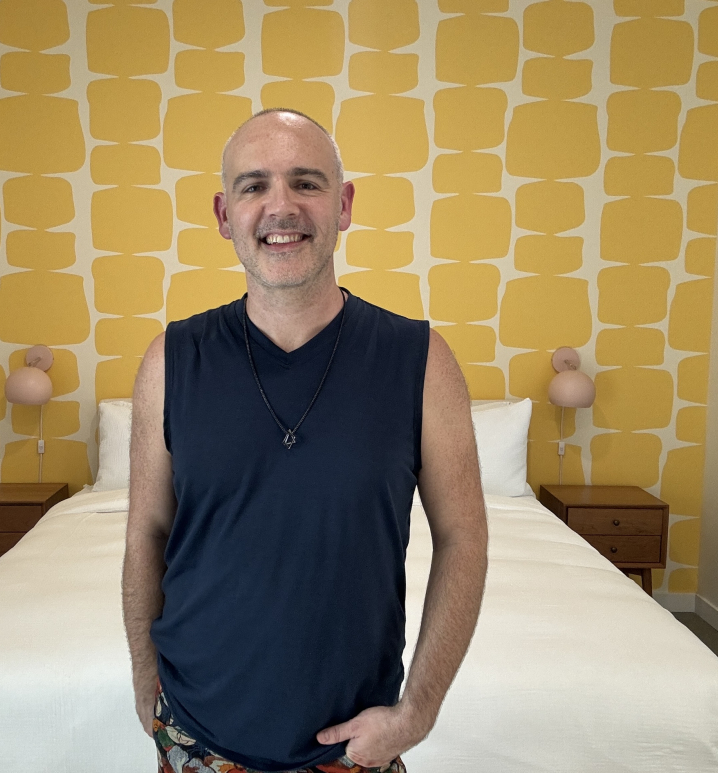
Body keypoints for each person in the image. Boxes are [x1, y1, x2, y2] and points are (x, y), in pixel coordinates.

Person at [124, 108, 488, 773]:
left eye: (307, 182)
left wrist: (418, 712)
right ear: (223, 212)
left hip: (352, 748)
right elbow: (146, 532)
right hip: (196, 734)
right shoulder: (170, 361)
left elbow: (464, 537)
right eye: (254, 185)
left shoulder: (422, 361)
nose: (280, 206)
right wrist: (146, 683)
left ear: (343, 205)